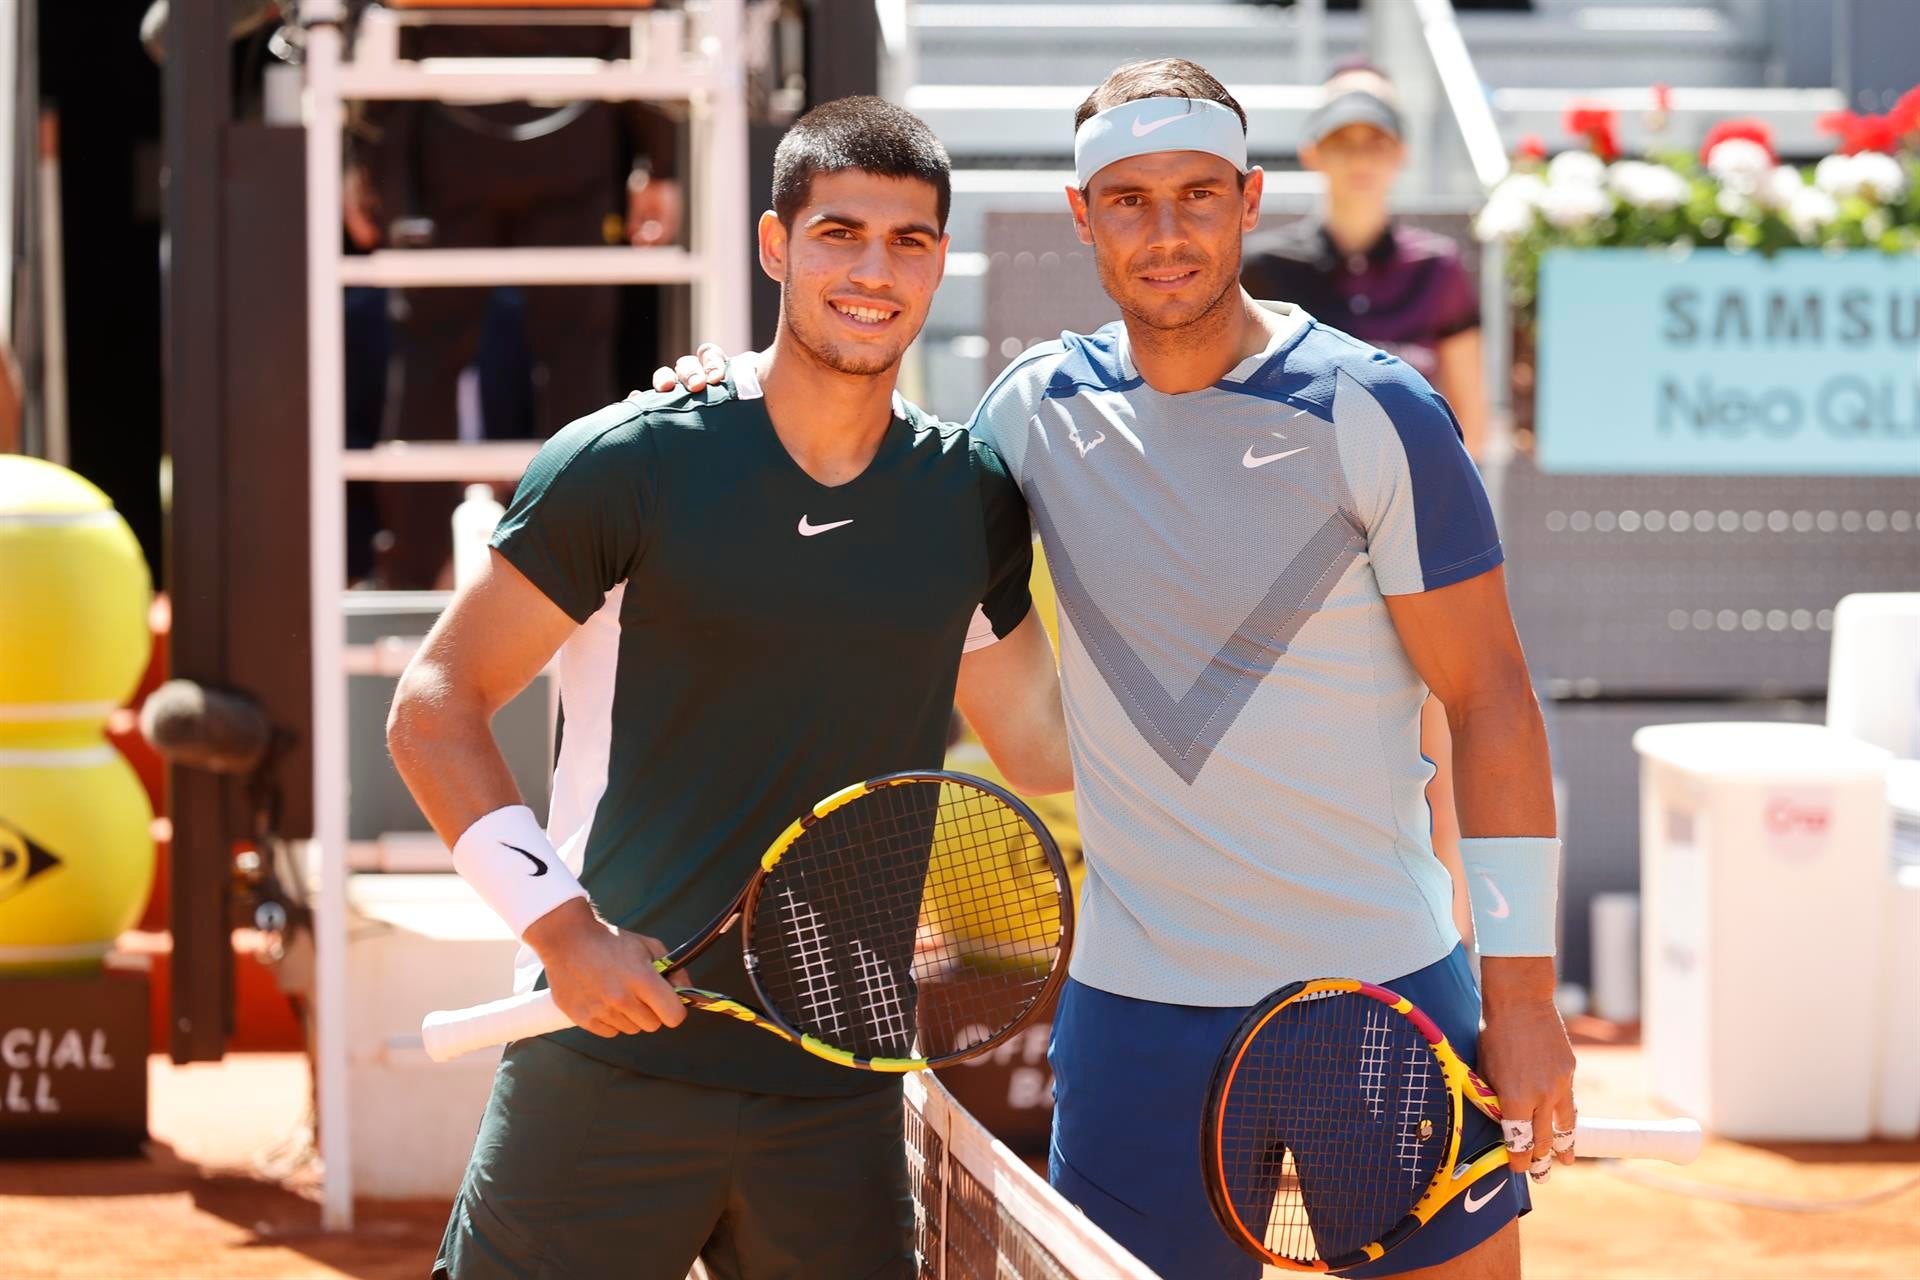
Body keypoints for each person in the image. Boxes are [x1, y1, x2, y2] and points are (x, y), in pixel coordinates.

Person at [659, 57, 1575, 1280]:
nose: (1167, 232)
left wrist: (1520, 992)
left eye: (1198, 194)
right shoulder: (1030, 415)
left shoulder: (1378, 409)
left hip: (1382, 989)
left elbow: (1492, 697)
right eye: (1130, 201)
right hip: (1137, 1012)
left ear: (1251, 201)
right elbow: (855, 467)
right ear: (1083, 216)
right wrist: (726, 399)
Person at [387, 97, 1070, 1280]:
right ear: (774, 246)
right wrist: (564, 931)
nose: (873, 269)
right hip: (605, 1064)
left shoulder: (968, 500)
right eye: (839, 232)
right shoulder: (630, 461)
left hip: (837, 1092)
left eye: (909, 241)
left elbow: (1047, 749)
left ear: (941, 262)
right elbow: (434, 705)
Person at [1241, 61, 1494, 950]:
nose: (1359, 158)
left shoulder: (1438, 272)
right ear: (1315, 150)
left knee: (1443, 756)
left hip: (1416, 550)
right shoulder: (1266, 265)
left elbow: (1473, 425)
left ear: (1398, 155)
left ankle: (1450, 958)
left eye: (1375, 141)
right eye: (1343, 140)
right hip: (1292, 562)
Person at [347, 20, 686, 589]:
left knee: (437, 356)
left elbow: (377, 19)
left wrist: (366, 153)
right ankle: (581, 565)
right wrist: (660, 157)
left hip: (453, 125)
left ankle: (411, 571)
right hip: (564, 120)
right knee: (571, 356)